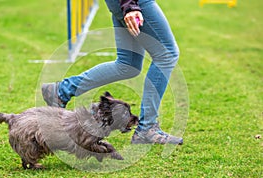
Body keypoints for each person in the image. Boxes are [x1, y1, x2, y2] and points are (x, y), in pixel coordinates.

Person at [42, 0, 183, 145]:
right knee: (166, 54)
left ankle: (62, 90)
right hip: (134, 3)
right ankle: (147, 128)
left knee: (128, 65)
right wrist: (130, 6)